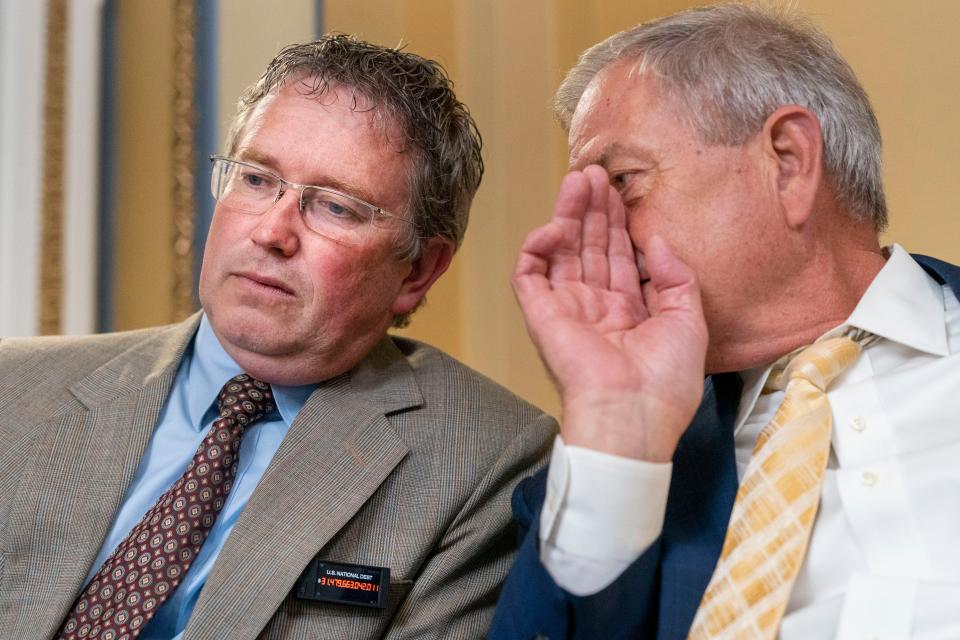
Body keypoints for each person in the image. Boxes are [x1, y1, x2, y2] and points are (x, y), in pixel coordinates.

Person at [0, 36, 555, 640]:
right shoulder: (15, 388)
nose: (272, 232)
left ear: (418, 269)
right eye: (257, 179)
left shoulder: (486, 459)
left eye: (336, 207)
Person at [490, 4, 960, 639]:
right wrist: (617, 427)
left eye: (622, 181)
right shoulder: (592, 481)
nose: (590, 232)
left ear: (788, 161)